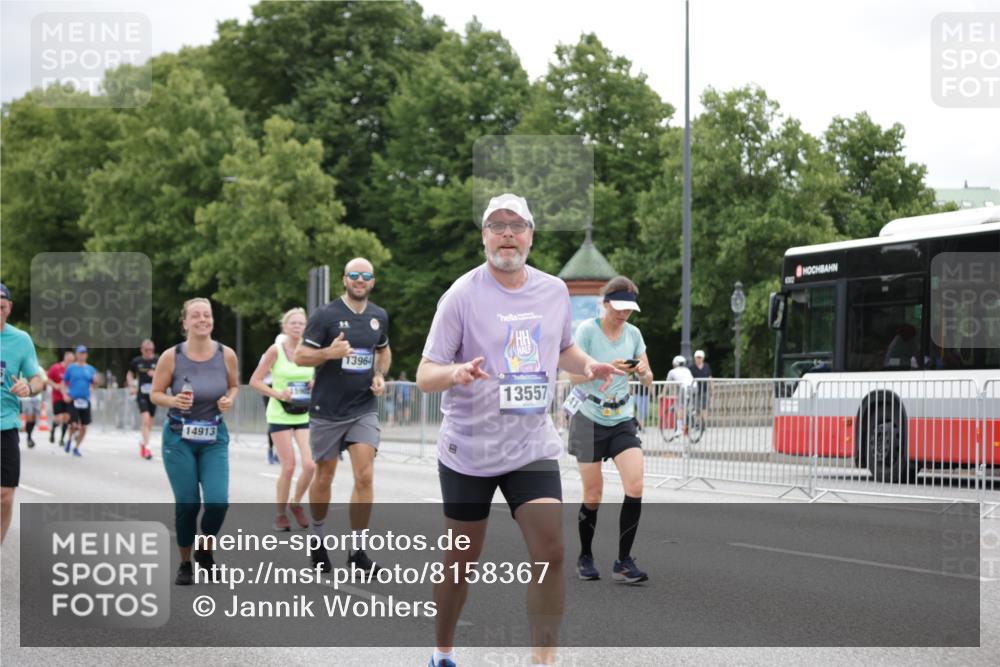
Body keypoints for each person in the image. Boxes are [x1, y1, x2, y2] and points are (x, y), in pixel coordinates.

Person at [416, 193, 621, 667]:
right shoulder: (461, 296)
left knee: (550, 549)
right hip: (469, 447)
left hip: (530, 445)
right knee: (462, 560)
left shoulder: (553, 292)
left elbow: (563, 347)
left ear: (530, 234)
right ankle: (442, 650)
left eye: (516, 225)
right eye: (497, 225)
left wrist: (588, 365)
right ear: (484, 235)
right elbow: (426, 372)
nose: (507, 233)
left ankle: (542, 661)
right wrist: (456, 373)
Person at [294, 257, 391, 574]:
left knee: (365, 475)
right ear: (344, 280)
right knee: (325, 476)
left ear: (373, 281)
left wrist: (379, 374)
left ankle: (357, 550)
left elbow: (383, 350)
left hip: (362, 407)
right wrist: (328, 353)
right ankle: (318, 540)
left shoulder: (379, 316)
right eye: (354, 275)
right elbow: (300, 356)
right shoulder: (326, 315)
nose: (360, 280)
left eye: (366, 276)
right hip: (328, 410)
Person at [566, 276, 654, 584]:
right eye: (618, 308)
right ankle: (585, 555)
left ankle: (623, 561)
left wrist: (642, 371)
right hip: (588, 417)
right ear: (605, 304)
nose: (623, 314)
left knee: (636, 484)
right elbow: (571, 378)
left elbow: (649, 379)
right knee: (593, 494)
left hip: (621, 417)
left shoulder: (634, 334)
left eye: (629, 309)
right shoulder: (588, 330)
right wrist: (601, 366)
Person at [150, 297, 239, 585]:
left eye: (207, 315)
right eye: (196, 316)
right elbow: (155, 393)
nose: (203, 320)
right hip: (179, 436)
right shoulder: (171, 356)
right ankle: (185, 563)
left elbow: (235, 385)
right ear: (185, 321)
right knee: (187, 504)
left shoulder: (226, 354)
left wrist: (229, 400)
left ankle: (205, 550)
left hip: (214, 436)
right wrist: (172, 399)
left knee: (217, 503)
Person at [250, 308, 315, 532]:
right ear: (285, 327)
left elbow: (317, 376)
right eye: (293, 323)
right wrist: (278, 394)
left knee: (310, 465)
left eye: (301, 323)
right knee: (288, 467)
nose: (297, 326)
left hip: (303, 412)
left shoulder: (309, 351)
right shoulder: (275, 350)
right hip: (279, 413)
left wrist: (314, 384)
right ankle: (280, 515)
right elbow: (255, 381)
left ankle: (295, 503)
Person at [1, 283, 45, 544]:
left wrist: (28, 387)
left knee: (5, 494)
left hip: (5, 424)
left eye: (1, 307)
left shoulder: (20, 340)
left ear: (9, 308)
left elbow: (38, 380)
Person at [63, 345, 99, 456]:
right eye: (80, 353)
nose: (82, 355)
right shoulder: (71, 368)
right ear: (77, 355)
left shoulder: (91, 369)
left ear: (86, 355)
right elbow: (64, 383)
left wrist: (95, 384)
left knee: (84, 427)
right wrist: (65, 394)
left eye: (84, 353)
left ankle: (76, 447)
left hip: (85, 400)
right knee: (74, 425)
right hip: (73, 399)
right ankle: (69, 439)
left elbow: (94, 385)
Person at [126, 339, 159, 460]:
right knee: (145, 420)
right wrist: (132, 386)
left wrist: (155, 374)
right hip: (142, 395)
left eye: (151, 350)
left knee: (149, 422)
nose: (148, 352)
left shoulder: (157, 360)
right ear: (141, 350)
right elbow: (129, 374)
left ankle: (143, 441)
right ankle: (147, 448)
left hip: (153, 395)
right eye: (146, 350)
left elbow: (164, 375)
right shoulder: (137, 361)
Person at [46, 350, 74, 447]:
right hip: (57, 397)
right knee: (59, 418)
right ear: (65, 358)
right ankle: (53, 431)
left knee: (66, 418)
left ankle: (62, 438)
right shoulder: (56, 368)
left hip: (68, 398)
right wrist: (55, 385)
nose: (70, 362)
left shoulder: (72, 370)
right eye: (69, 360)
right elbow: (47, 379)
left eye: (72, 360)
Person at [666, 355, 695, 436]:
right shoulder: (687, 370)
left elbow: (667, 385)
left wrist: (662, 394)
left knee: (679, 407)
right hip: (694, 387)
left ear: (675, 363)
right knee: (687, 406)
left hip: (685, 389)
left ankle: (679, 429)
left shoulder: (672, 371)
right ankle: (692, 411)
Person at [690, 349, 713, 422]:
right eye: (697, 357)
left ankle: (704, 423)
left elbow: (710, 377)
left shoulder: (706, 366)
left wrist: (712, 388)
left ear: (703, 358)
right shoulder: (691, 367)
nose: (698, 359)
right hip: (694, 391)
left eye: (700, 357)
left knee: (704, 407)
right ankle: (697, 422)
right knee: (696, 407)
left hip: (704, 390)